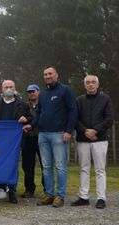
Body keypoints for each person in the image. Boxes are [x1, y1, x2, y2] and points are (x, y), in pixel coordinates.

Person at [24, 66, 77, 208]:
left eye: (50, 73)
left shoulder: (65, 90)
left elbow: (73, 111)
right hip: (43, 135)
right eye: (45, 74)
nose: (47, 76)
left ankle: (60, 195)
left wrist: (68, 131)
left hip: (59, 134)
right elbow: (39, 113)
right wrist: (31, 125)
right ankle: (48, 194)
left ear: (56, 75)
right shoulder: (43, 94)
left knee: (60, 166)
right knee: (46, 167)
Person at [0, 80, 32, 204]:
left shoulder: (22, 104)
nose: (9, 89)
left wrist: (26, 118)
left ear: (15, 88)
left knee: (12, 167)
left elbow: (31, 117)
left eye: (11, 87)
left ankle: (12, 192)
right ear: (2, 89)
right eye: (7, 87)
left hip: (14, 143)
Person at [71, 75, 113, 209]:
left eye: (93, 82)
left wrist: (94, 131)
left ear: (97, 85)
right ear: (84, 85)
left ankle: (101, 198)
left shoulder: (105, 99)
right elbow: (75, 119)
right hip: (83, 140)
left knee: (100, 169)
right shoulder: (79, 100)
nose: (90, 84)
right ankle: (84, 197)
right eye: (88, 82)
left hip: (99, 140)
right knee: (84, 168)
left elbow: (109, 119)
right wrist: (85, 131)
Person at [21, 84, 44, 198]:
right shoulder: (24, 106)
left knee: (45, 164)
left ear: (38, 91)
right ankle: (29, 189)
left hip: (42, 137)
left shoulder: (44, 104)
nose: (31, 93)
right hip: (28, 138)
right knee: (27, 165)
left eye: (33, 91)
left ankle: (47, 189)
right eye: (29, 92)